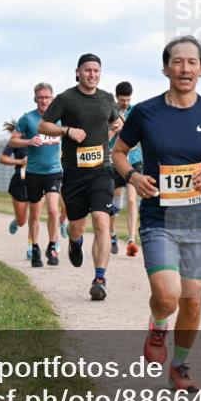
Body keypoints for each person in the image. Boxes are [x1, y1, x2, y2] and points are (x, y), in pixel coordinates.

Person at [112, 36, 201, 392]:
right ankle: (158, 325)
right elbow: (119, 151)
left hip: (200, 220)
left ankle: (180, 367)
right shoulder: (145, 112)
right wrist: (133, 176)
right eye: (177, 62)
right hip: (159, 219)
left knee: (193, 300)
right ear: (165, 67)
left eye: (192, 62)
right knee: (168, 296)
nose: (185, 68)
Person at [39, 54, 122, 300]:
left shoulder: (107, 98)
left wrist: (107, 137)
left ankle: (100, 278)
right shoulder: (66, 98)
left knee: (101, 220)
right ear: (78, 72)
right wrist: (67, 130)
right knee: (77, 226)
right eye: (88, 70)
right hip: (74, 175)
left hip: (101, 171)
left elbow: (118, 123)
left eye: (96, 71)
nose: (92, 74)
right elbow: (43, 126)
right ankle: (75, 242)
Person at [9, 83, 63, 267]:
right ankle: (35, 247)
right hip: (33, 173)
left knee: (54, 210)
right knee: (35, 214)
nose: (43, 100)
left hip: (54, 172)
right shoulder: (27, 119)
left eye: (47, 97)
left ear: (52, 98)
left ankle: (53, 246)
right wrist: (29, 141)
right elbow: (13, 141)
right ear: (35, 99)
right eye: (40, 97)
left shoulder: (59, 118)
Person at [109, 81, 142, 257]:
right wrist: (114, 130)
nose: (126, 103)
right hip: (114, 160)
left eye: (128, 99)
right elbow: (104, 140)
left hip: (134, 160)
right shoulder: (109, 112)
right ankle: (112, 234)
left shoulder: (135, 111)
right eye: (122, 100)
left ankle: (131, 240)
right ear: (116, 98)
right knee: (113, 204)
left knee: (131, 200)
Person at [0, 120, 32, 255]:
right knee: (22, 220)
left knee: (35, 215)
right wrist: (20, 161)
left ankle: (32, 246)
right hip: (20, 180)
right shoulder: (16, 140)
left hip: (38, 180)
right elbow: (2, 158)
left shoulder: (43, 137)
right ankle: (17, 221)